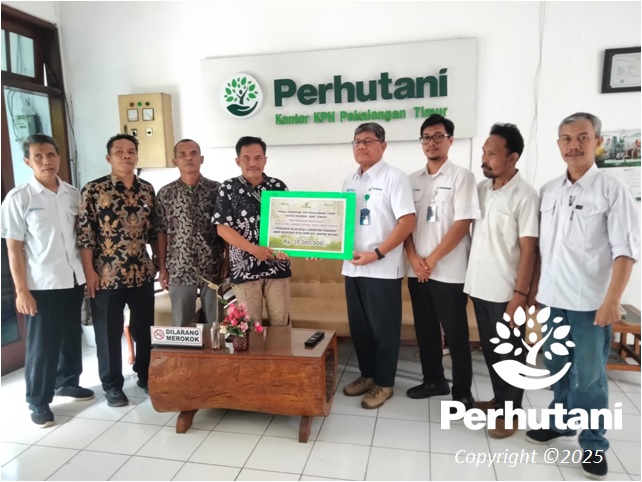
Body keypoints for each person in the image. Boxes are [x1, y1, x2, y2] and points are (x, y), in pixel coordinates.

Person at [526, 112, 639, 480]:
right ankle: (560, 422)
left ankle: (593, 443)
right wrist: (535, 294)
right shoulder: (549, 191)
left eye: (582, 137)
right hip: (552, 300)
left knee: (589, 379)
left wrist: (612, 301)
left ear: (597, 142)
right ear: (558, 144)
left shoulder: (612, 191)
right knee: (557, 370)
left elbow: (625, 252)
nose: (573, 145)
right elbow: (542, 250)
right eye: (566, 138)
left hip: (591, 305)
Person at [1, 134, 94, 427]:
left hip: (73, 278)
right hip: (42, 284)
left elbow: (82, 237)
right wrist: (21, 290)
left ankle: (67, 381)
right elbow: (13, 249)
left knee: (70, 334)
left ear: (58, 157)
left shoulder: (72, 194)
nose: (46, 161)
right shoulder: (19, 198)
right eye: (38, 156)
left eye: (51, 155)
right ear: (27, 161)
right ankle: (38, 400)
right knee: (42, 345)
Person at [463, 123, 539, 438]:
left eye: (492, 154)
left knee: (511, 354)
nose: (485, 158)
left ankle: (510, 413)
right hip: (479, 286)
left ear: (513, 157)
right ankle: (499, 401)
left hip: (507, 291)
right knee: (493, 352)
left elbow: (530, 250)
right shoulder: (482, 190)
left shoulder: (526, 196)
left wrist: (521, 294)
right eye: (484, 152)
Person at [404, 114, 480, 410]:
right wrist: (413, 258)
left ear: (450, 140)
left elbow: (463, 223)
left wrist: (432, 260)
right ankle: (433, 380)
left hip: (449, 271)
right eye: (426, 137)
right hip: (417, 270)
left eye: (438, 136)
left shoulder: (462, 177)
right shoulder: (411, 180)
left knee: (456, 333)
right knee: (425, 330)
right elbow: (405, 223)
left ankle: (462, 391)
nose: (431, 142)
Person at [77, 133, 157, 406]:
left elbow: (154, 231)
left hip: (142, 273)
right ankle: (112, 385)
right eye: (119, 151)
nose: (126, 155)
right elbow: (85, 235)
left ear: (137, 156)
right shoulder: (94, 190)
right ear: (108, 157)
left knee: (144, 329)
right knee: (108, 332)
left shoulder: (147, 190)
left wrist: (158, 263)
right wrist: (89, 272)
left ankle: (145, 373)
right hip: (106, 275)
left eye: (131, 151)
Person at [341, 122, 416, 409]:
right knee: (359, 329)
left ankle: (384, 384)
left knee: (384, 330)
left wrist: (376, 254)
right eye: (357, 141)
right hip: (352, 268)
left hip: (382, 269)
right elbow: (341, 224)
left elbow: (407, 222)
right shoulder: (349, 180)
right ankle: (368, 375)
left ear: (383, 146)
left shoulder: (395, 178)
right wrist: (322, 248)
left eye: (368, 141)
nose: (361, 146)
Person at [214, 136, 290, 326]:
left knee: (281, 322)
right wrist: (254, 249)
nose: (253, 163)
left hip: (277, 265)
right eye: (246, 158)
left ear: (265, 160)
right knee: (249, 325)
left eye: (258, 158)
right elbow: (222, 228)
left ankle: (280, 348)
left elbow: (290, 224)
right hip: (244, 268)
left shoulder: (278, 187)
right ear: (237, 161)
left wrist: (289, 247)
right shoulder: (228, 188)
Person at [156, 139, 226, 326]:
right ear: (175, 161)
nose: (188, 158)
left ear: (201, 159)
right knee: (182, 325)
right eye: (183, 155)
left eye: (193, 153)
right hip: (179, 266)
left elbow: (225, 227)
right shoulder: (165, 193)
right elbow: (161, 232)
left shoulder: (217, 190)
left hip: (212, 264)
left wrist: (227, 259)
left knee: (216, 324)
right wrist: (162, 267)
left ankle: (215, 347)